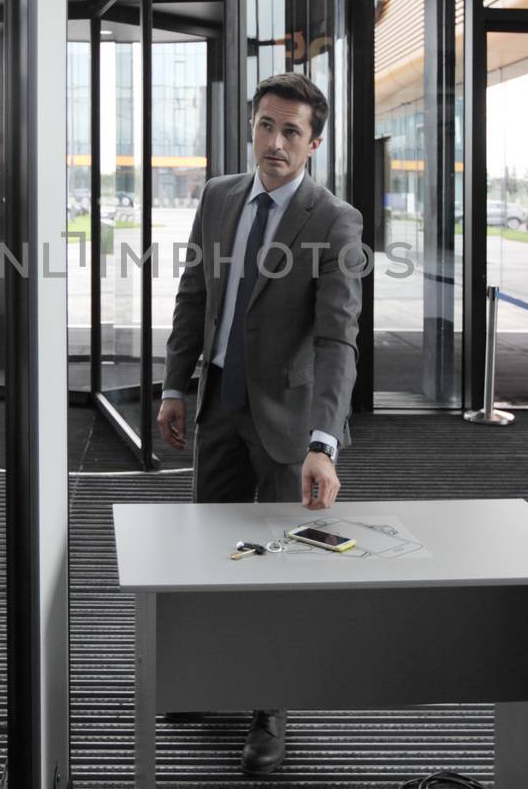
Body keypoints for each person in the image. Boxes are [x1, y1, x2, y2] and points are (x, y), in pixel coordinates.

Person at [157, 72, 364, 775]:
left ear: (315, 142)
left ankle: (269, 708)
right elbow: (194, 295)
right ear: (251, 124)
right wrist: (176, 386)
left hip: (289, 425)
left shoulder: (334, 220)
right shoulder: (218, 198)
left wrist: (323, 442)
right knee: (212, 553)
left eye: (291, 132)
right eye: (265, 125)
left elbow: (339, 340)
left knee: (280, 567)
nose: (274, 143)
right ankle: (210, 678)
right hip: (219, 406)